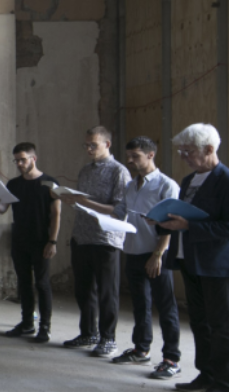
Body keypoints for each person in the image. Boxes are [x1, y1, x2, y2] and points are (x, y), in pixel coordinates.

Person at [74, 137, 182, 376]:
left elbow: (170, 223)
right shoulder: (132, 185)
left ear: (151, 155)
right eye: (129, 156)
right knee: (140, 304)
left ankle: (171, 359)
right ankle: (141, 350)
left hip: (155, 254)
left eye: (136, 156)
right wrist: (92, 210)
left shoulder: (166, 185)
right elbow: (120, 212)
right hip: (132, 250)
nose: (130, 161)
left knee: (166, 307)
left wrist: (158, 254)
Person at [158, 123, 229, 392]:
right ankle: (207, 375)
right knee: (199, 322)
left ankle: (227, 385)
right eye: (181, 151)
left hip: (216, 263)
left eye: (188, 151)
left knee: (222, 325)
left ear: (209, 149)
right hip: (189, 258)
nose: (183, 156)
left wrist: (189, 225)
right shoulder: (188, 181)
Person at [63, 126, 130, 357]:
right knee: (83, 290)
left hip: (106, 238)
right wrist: (72, 200)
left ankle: (108, 338)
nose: (89, 149)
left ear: (107, 145)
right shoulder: (85, 171)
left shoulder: (118, 171)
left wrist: (85, 202)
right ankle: (88, 333)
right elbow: (84, 202)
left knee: (107, 292)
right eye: (86, 145)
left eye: (94, 145)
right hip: (82, 236)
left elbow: (119, 210)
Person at [0, 143, 60, 342]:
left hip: (41, 240)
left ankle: (45, 326)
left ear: (33, 159)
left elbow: (56, 215)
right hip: (19, 240)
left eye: (23, 159)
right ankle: (27, 323)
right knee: (24, 284)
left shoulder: (50, 183)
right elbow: (4, 209)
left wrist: (52, 241)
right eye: (16, 160)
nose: (19, 163)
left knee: (43, 284)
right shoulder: (14, 184)